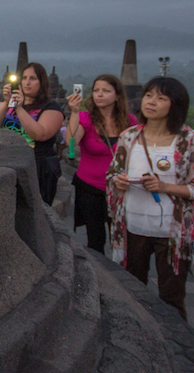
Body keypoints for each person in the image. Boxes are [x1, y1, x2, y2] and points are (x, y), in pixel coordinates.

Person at [106, 77, 194, 320]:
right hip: (133, 225)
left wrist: (165, 186)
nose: (152, 102)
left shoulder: (189, 141)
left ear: (174, 105)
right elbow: (113, 173)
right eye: (148, 95)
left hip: (172, 231)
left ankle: (178, 346)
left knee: (171, 297)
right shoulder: (129, 137)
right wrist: (119, 181)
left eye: (161, 98)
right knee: (131, 289)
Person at [65, 75, 137, 254]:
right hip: (90, 187)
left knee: (121, 239)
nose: (100, 95)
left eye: (106, 91)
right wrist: (74, 112)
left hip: (120, 188)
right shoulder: (84, 118)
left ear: (117, 96)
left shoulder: (130, 121)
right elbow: (71, 142)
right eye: (96, 90)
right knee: (95, 240)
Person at [0, 62, 65, 204]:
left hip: (37, 166)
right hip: (8, 161)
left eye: (33, 78)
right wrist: (6, 102)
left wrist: (20, 109)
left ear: (42, 82)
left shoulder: (51, 107)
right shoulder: (10, 103)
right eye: (24, 78)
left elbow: (40, 134)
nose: (27, 82)